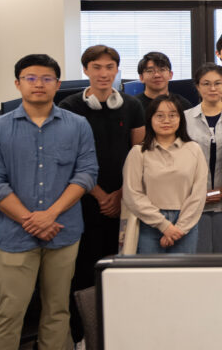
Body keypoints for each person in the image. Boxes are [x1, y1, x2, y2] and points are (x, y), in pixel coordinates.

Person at [0, 54, 98, 350]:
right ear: (18, 84)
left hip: (63, 231)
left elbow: (86, 174)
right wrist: (30, 220)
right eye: (31, 78)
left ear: (57, 84)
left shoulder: (78, 125)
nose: (39, 84)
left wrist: (50, 215)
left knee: (58, 311)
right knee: (9, 312)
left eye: (46, 78)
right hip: (14, 236)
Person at [57, 44, 145, 343]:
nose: (104, 73)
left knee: (120, 265)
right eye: (97, 67)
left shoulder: (132, 106)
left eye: (110, 67)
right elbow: (68, 158)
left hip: (124, 199)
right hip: (82, 201)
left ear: (117, 70)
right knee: (84, 270)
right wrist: (99, 194)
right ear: (85, 70)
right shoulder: (69, 107)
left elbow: (139, 155)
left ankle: (120, 332)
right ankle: (84, 336)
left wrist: (120, 194)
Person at [122, 94, 208, 254]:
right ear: (150, 119)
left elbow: (198, 194)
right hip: (149, 223)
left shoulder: (194, 149)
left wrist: (179, 228)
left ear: (181, 119)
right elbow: (132, 194)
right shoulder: (138, 153)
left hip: (186, 224)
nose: (166, 120)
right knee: (149, 276)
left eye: (172, 115)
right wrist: (164, 225)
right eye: (159, 116)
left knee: (182, 277)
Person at [185, 63, 222, 254]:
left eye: (218, 83)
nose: (212, 88)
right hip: (193, 202)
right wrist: (197, 193)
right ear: (197, 87)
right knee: (197, 257)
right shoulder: (184, 118)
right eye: (206, 83)